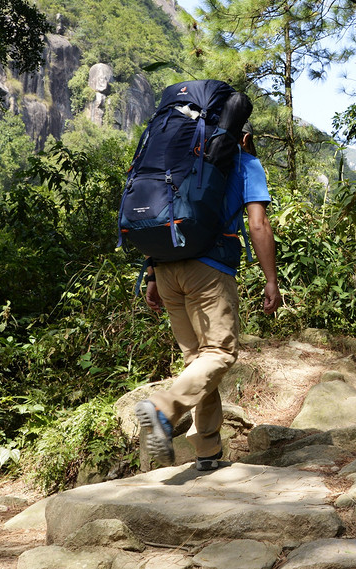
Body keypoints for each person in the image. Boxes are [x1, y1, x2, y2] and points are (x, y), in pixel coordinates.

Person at [135, 123, 282, 471]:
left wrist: (153, 273)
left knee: (198, 361)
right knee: (219, 353)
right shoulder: (244, 162)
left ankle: (208, 451)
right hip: (209, 268)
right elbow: (258, 225)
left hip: (167, 267)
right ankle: (162, 409)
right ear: (244, 137)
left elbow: (159, 213)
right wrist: (271, 280)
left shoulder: (179, 160)